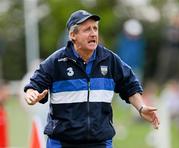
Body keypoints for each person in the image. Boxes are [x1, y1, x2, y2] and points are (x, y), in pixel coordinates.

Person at [24, 10, 160, 148]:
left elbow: (130, 85)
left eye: (95, 28)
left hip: (100, 142)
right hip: (62, 143)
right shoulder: (56, 61)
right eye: (87, 29)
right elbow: (34, 84)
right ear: (73, 35)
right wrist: (32, 94)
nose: (93, 33)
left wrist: (141, 107)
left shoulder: (110, 60)